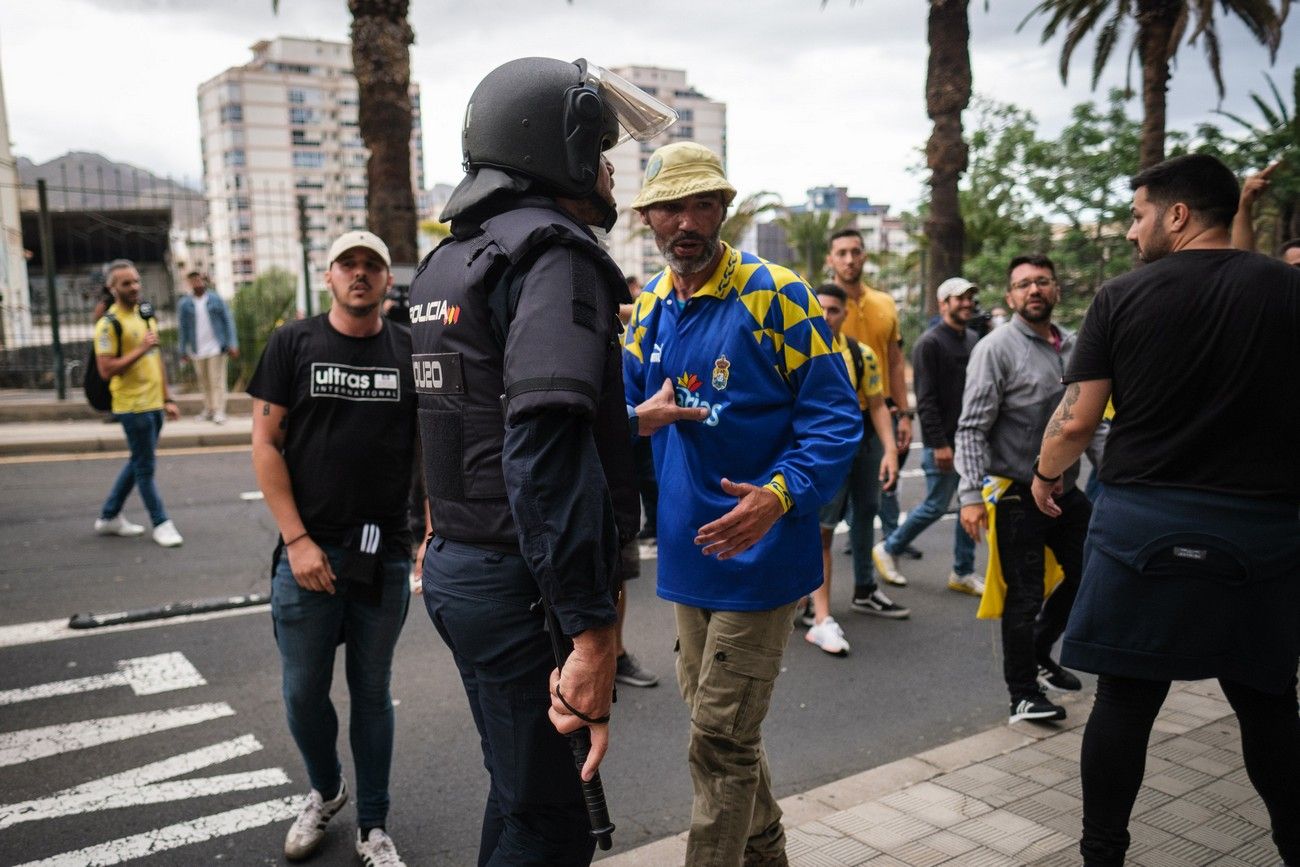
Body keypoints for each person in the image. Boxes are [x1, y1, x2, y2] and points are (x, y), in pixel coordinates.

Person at [410, 57, 678, 866]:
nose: (608, 169)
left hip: (465, 565)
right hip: (522, 585)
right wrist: (594, 636)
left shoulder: (448, 261)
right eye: (598, 149)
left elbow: (443, 422)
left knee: (521, 791)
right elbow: (545, 448)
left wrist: (437, 531)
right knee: (555, 822)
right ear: (554, 151)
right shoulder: (555, 255)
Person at [1031, 153, 1300, 867]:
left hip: (1142, 528)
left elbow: (1077, 420)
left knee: (1124, 702)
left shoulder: (1120, 298)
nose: (1129, 231)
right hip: (1265, 532)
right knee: (1271, 704)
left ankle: (1103, 856)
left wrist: (1044, 474)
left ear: (1177, 215)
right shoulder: (1289, 289)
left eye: (1138, 212)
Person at [623, 141, 861, 866]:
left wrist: (778, 496)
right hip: (686, 555)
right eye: (670, 207)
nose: (686, 222)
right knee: (718, 727)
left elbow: (835, 416)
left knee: (719, 740)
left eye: (702, 204)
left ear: (723, 210)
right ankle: (768, 853)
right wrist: (643, 417)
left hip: (761, 558)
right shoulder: (652, 308)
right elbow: (620, 412)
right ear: (649, 218)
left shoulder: (775, 292)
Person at [249, 230, 417, 867]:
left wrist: (430, 531)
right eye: (348, 264)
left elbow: (433, 444)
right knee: (302, 691)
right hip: (307, 555)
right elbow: (266, 446)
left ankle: (373, 825)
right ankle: (326, 789)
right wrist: (297, 540)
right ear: (328, 276)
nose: (360, 274)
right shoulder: (294, 343)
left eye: (372, 264)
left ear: (385, 279)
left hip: (384, 553)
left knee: (372, 691)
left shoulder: (408, 347)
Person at [954, 254, 1090, 725]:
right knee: (1025, 593)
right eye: (1023, 284)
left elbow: (1089, 422)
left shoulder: (1075, 345)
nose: (1034, 290)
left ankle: (1038, 651)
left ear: (1056, 290)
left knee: (1091, 569)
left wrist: (1117, 476)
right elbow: (971, 428)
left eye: (1042, 282)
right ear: (1011, 297)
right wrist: (969, 495)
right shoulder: (996, 349)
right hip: (1015, 490)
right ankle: (1023, 695)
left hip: (1065, 489)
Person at [806, 284, 899, 655]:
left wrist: (890, 449)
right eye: (821, 309)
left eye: (834, 310)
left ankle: (865, 589)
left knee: (867, 515)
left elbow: (878, 404)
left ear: (845, 314)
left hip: (861, 444)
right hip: (823, 446)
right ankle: (820, 616)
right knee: (822, 530)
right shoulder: (802, 352)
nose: (827, 316)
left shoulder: (861, 355)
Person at [873, 277, 981, 595]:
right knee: (936, 505)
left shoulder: (973, 338)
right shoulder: (929, 343)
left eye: (969, 298)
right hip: (944, 442)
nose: (966, 304)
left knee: (968, 504)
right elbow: (927, 399)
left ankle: (963, 571)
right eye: (958, 298)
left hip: (969, 441)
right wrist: (938, 444)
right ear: (943, 304)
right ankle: (888, 547)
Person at [826, 228, 917, 566]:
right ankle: (811, 603)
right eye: (842, 253)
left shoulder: (885, 302)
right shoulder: (819, 305)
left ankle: (866, 586)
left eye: (856, 252)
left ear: (864, 256)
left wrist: (903, 413)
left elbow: (894, 360)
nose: (850, 259)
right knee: (823, 516)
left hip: (875, 412)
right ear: (830, 259)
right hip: (831, 421)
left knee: (870, 503)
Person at [92, 259, 183, 548]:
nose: (134, 287)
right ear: (112, 288)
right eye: (126, 283)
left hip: (154, 403)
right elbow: (106, 370)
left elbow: (157, 359)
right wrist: (141, 349)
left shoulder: (145, 316)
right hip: (132, 406)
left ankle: (109, 516)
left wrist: (167, 398)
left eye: (136, 281)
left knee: (138, 461)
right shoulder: (109, 324)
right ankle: (161, 522)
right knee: (144, 467)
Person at [177, 271, 239, 424]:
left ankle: (219, 410)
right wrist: (183, 350)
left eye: (198, 280)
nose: (196, 283)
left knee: (216, 380)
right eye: (193, 281)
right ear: (189, 283)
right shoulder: (185, 304)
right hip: (197, 348)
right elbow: (183, 328)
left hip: (216, 346)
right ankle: (209, 408)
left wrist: (232, 343)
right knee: (204, 381)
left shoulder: (215, 299)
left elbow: (228, 321)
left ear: (204, 281)